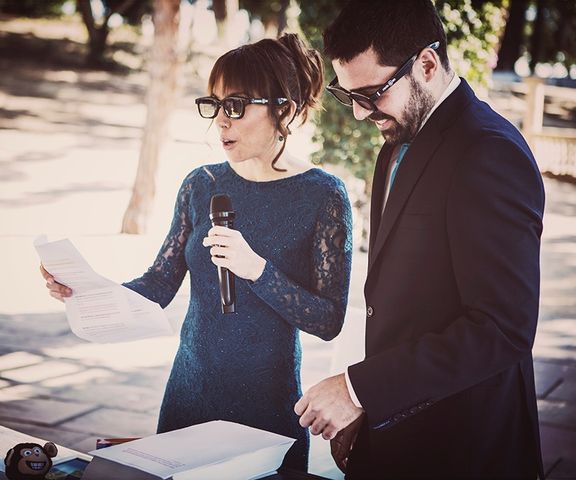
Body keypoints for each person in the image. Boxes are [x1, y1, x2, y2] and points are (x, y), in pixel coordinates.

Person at [41, 33, 353, 472]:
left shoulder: (323, 196)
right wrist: (88, 290)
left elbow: (328, 320)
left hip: (266, 411)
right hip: (188, 398)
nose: (221, 121)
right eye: (216, 104)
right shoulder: (200, 183)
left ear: (283, 108)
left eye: (236, 105)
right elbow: (159, 283)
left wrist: (257, 269)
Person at [293, 1, 545, 478]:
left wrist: (357, 390)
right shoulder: (397, 142)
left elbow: (501, 328)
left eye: (372, 93)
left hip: (465, 448)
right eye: (349, 97)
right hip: (396, 432)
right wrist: (370, 409)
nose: (362, 114)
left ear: (427, 64)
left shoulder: (490, 153)